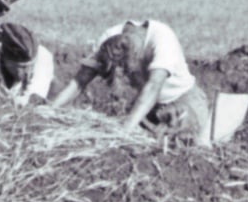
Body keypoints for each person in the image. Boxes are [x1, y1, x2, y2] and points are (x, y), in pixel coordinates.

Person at [50, 19, 210, 146]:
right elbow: (79, 81)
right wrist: (49, 111)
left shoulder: (162, 39)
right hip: (149, 108)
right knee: (133, 140)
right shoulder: (110, 38)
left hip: (184, 102)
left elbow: (153, 86)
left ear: (137, 54)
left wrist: (122, 133)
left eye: (126, 70)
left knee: (171, 145)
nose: (126, 77)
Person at [0, 22, 55, 104]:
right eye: (19, 67)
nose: (24, 72)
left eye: (28, 67)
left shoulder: (43, 59)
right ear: (5, 59)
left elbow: (33, 100)